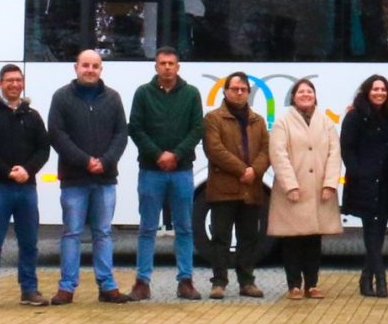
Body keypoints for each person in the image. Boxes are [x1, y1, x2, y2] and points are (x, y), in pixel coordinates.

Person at [46, 49, 131, 305]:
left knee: (103, 233)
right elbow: (57, 135)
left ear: (101, 69)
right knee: (71, 233)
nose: (90, 70)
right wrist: (85, 161)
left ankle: (107, 286)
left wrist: (104, 162)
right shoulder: (61, 98)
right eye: (85, 65)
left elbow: (121, 135)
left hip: (105, 179)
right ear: (76, 67)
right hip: (74, 179)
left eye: (95, 66)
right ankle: (67, 288)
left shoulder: (113, 98)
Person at [0, 63, 51, 308]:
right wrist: (7, 171)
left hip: (27, 188)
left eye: (18, 80)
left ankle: (29, 289)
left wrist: (28, 170)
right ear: (1, 84)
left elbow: (43, 148)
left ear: (23, 83)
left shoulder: (33, 116)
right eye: (9, 81)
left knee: (29, 242)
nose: (14, 84)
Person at [127, 47, 204, 300]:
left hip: (182, 171)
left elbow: (196, 129)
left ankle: (185, 281)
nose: (167, 67)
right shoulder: (143, 93)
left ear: (178, 67)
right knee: (147, 228)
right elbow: (135, 128)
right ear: (156, 67)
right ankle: (142, 282)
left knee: (184, 228)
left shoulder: (191, 94)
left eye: (171, 63)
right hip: (151, 171)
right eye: (163, 63)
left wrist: (176, 154)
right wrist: (158, 154)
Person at [267, 77, 343, 299]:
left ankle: (312, 283)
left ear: (315, 96)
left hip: (319, 190)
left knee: (313, 240)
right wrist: (290, 185)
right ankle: (294, 285)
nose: (306, 95)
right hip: (293, 190)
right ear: (293, 97)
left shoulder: (325, 122)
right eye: (301, 92)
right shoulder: (283, 122)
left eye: (309, 92)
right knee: (292, 240)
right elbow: (278, 155)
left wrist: (330, 183)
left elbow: (334, 153)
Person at [202, 72, 271, 298]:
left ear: (249, 93)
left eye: (243, 89)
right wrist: (244, 170)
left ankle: (247, 282)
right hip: (223, 189)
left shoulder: (258, 121)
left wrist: (255, 171)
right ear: (225, 91)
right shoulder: (213, 118)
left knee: (248, 238)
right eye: (234, 89)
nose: (239, 92)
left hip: (251, 190)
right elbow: (214, 149)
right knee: (221, 237)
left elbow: (265, 150)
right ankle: (219, 282)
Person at [340, 74, 388, 297]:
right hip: (365, 183)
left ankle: (365, 278)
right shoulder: (355, 116)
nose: (379, 93)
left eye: (383, 89)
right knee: (371, 230)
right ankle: (381, 278)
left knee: (378, 233)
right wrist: (358, 173)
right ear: (367, 91)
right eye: (375, 89)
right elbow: (347, 149)